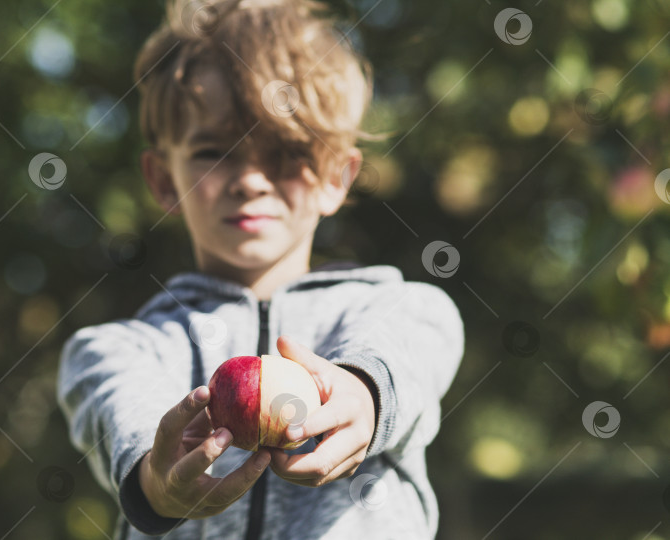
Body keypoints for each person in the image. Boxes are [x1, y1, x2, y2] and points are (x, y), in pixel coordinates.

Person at [57, 0, 464, 538]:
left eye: (285, 150)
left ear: (337, 178)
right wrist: (161, 482)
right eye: (211, 150)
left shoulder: (395, 308)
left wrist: (363, 393)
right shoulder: (121, 349)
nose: (249, 179)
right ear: (162, 180)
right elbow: (122, 415)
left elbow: (413, 344)